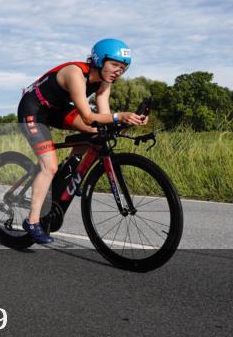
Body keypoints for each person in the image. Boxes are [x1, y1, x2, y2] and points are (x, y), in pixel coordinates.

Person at [17, 38, 147, 244]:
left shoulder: (105, 82)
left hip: (57, 109)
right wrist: (119, 116)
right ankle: (32, 221)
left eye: (123, 68)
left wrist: (126, 120)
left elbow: (103, 116)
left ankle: (69, 169)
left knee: (97, 132)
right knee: (48, 166)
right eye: (114, 65)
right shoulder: (75, 73)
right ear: (98, 60)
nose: (118, 71)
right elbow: (88, 116)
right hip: (34, 109)